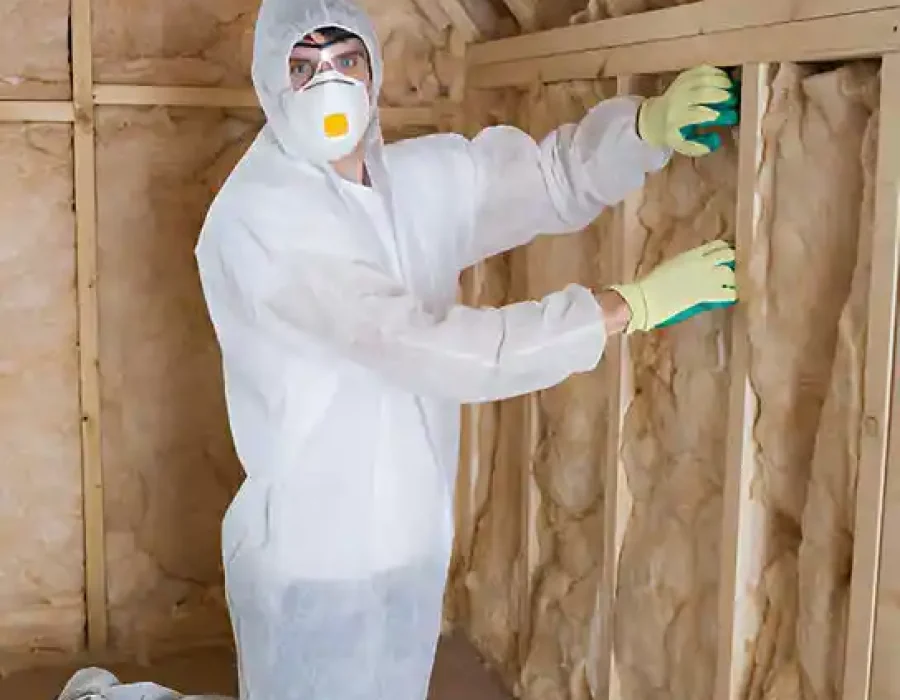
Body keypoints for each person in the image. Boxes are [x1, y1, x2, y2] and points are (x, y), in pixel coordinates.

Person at [55, 1, 738, 699]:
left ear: (374, 70)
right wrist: (624, 308)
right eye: (304, 66)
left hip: (410, 536)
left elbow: (548, 180)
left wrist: (644, 133)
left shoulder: (417, 184)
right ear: (271, 83)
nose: (330, 83)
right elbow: (432, 351)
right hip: (317, 553)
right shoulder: (264, 218)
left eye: (345, 60)